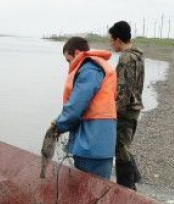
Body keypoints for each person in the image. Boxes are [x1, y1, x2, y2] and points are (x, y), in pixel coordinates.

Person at [52, 37, 117, 179]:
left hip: (92, 143)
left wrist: (57, 126)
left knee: (90, 187)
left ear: (76, 52)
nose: (69, 65)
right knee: (96, 187)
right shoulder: (97, 66)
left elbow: (76, 106)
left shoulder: (89, 69)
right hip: (100, 141)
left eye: (68, 60)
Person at [108, 21, 145, 190]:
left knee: (121, 150)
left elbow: (122, 90)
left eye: (111, 40)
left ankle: (126, 189)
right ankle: (134, 181)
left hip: (126, 110)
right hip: (136, 106)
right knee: (125, 147)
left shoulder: (125, 58)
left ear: (118, 40)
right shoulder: (138, 55)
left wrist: (114, 112)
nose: (110, 44)